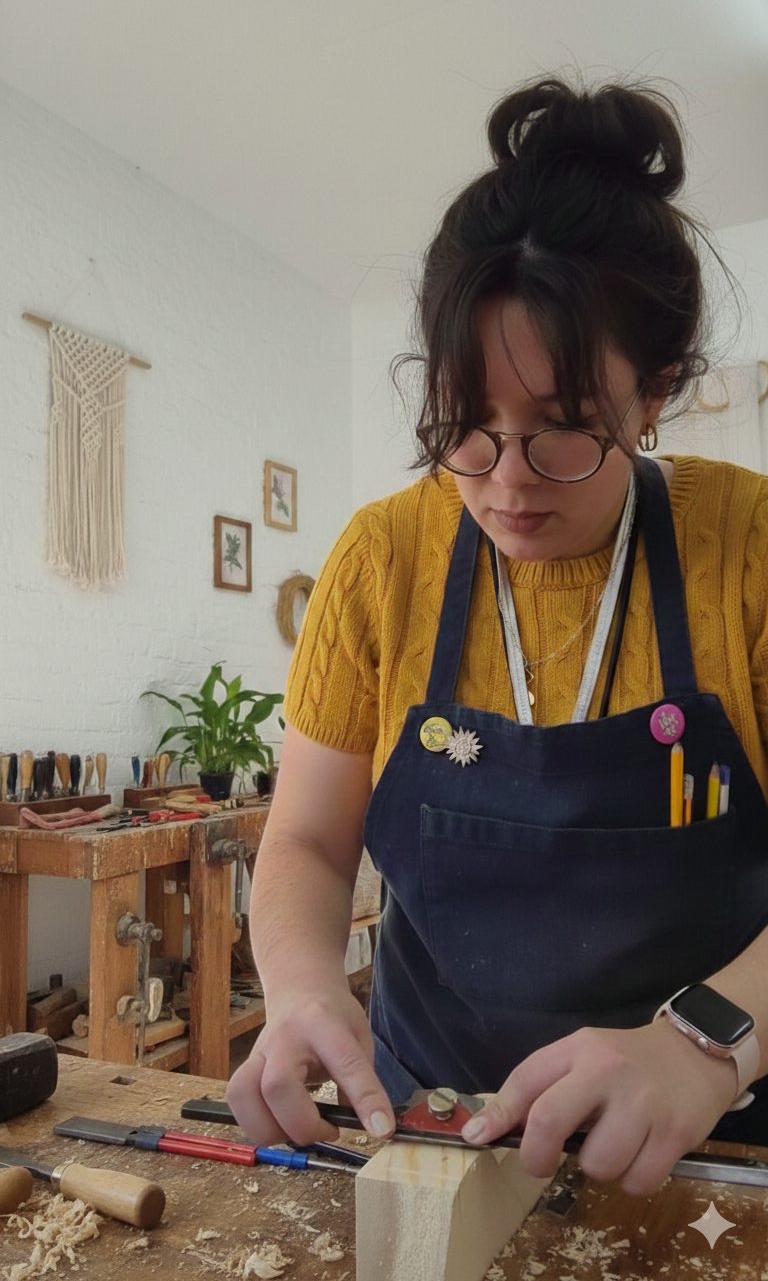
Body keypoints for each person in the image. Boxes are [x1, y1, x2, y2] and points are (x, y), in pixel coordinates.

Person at [228, 75, 768, 1196]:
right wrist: (303, 988)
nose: (507, 485)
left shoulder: (749, 551)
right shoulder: (384, 559)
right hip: (431, 1134)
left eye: (565, 433)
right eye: (468, 430)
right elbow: (309, 846)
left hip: (710, 1148)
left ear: (654, 394)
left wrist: (702, 1042)